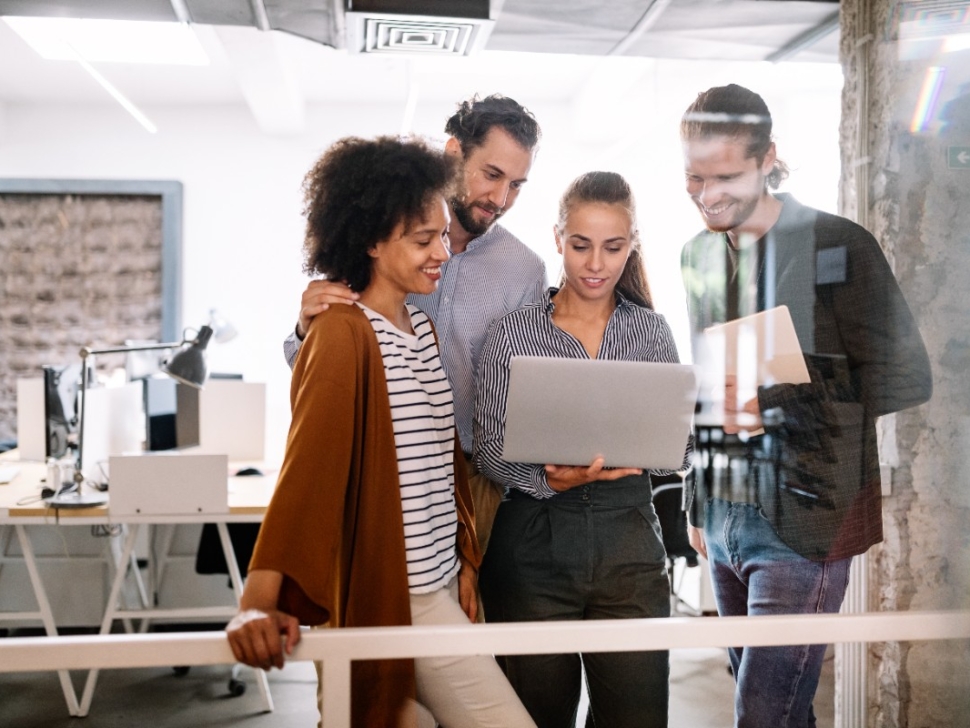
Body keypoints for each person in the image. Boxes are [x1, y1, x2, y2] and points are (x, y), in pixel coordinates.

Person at [226, 135, 536, 728]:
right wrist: (256, 605)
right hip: (396, 595)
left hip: (436, 581)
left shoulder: (421, 327)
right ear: (370, 241)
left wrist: (464, 565)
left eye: (443, 236)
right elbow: (306, 476)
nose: (442, 252)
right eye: (424, 240)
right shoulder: (343, 332)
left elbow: (441, 463)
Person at [679, 84, 933, 728]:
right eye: (694, 178)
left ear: (769, 160)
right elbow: (708, 388)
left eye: (726, 177)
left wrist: (780, 385)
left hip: (808, 518)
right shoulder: (698, 255)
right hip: (725, 510)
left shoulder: (840, 246)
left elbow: (908, 377)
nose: (709, 195)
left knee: (762, 714)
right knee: (780, 710)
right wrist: (695, 497)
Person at [283, 94, 546, 554]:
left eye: (517, 185)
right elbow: (316, 367)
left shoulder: (525, 271)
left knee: (462, 610)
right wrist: (307, 330)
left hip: (473, 479)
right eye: (491, 175)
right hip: (376, 468)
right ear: (453, 153)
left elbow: (523, 395)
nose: (500, 199)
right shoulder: (381, 235)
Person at [474, 171, 690, 728]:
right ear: (557, 239)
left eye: (613, 247)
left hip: (630, 546)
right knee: (534, 716)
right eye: (581, 245)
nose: (596, 264)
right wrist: (552, 481)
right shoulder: (512, 332)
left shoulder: (651, 333)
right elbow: (491, 453)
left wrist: (671, 442)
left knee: (636, 717)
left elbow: (678, 451)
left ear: (632, 245)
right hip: (533, 545)